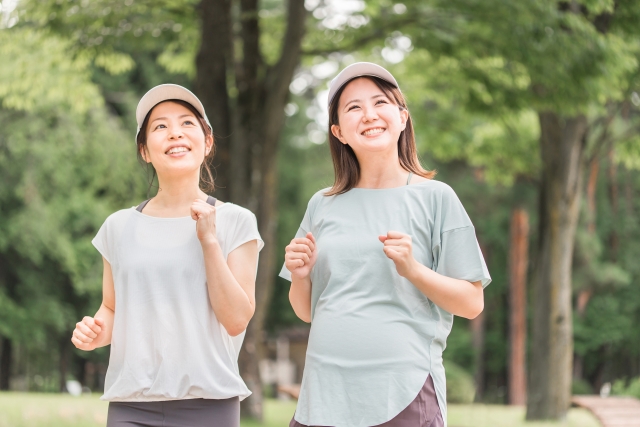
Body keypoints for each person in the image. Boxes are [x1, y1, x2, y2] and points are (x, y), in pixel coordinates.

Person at [281, 63, 491, 427]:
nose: (369, 115)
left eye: (380, 102)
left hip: (402, 396)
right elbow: (307, 310)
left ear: (402, 117)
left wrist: (414, 270)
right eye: (353, 107)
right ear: (338, 132)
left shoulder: (436, 198)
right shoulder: (322, 203)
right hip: (324, 398)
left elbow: (472, 303)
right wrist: (301, 277)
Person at [71, 84, 263, 427]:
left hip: (209, 405)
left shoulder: (236, 221)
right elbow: (113, 307)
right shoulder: (118, 227)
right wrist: (96, 332)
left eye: (187, 123)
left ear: (207, 143)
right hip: (132, 405)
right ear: (145, 151)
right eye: (160, 126)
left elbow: (236, 319)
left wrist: (209, 242)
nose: (174, 132)